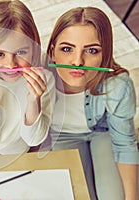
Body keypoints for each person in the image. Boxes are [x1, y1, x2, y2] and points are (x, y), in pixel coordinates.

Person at [45, 6, 139, 200]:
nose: (78, 61)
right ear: (53, 52)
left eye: (91, 50)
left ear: (104, 55)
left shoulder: (119, 86)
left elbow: (125, 144)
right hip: (60, 136)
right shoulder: (39, 79)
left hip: (102, 133)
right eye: (67, 49)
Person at [0, 0, 55, 155]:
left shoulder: (45, 80)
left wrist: (33, 100)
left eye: (21, 52)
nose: (10, 64)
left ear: (33, 48)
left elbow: (34, 140)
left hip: (22, 150)